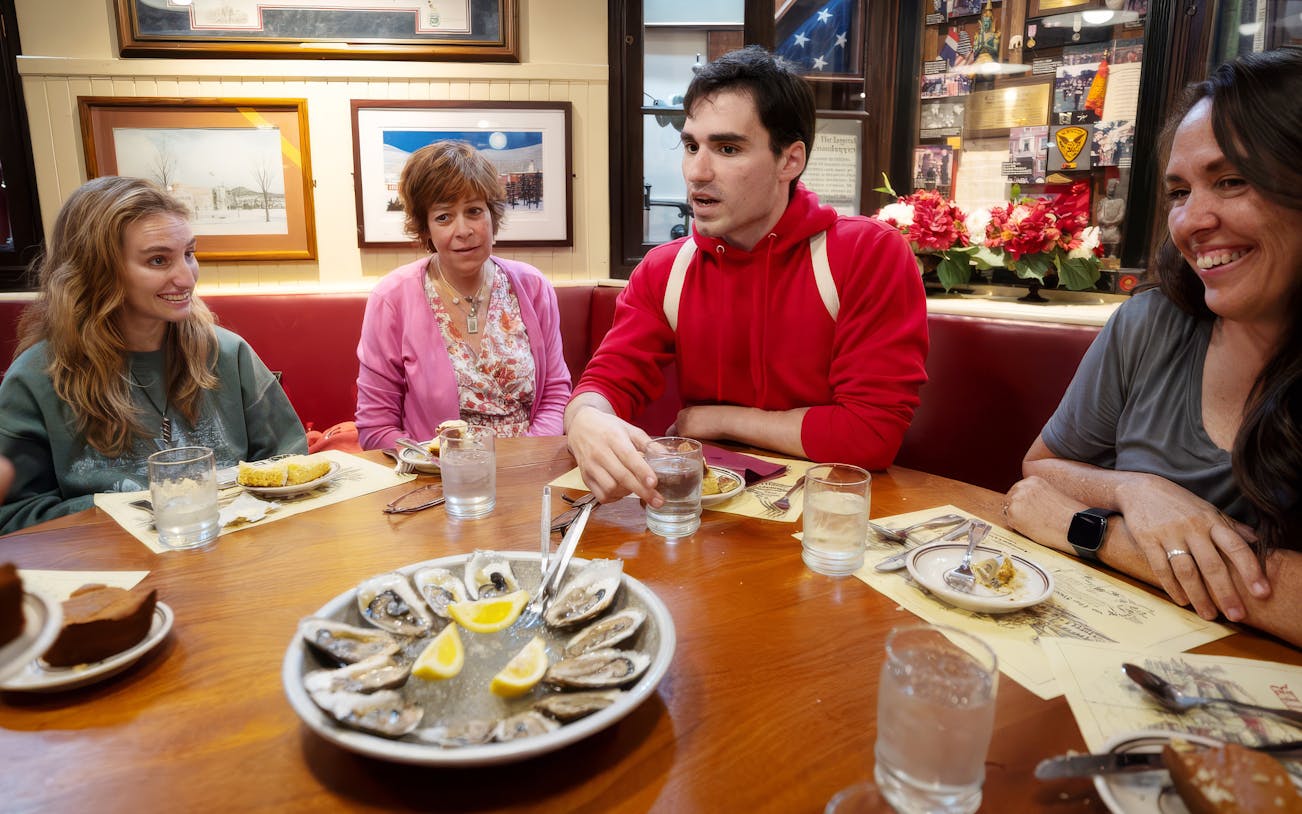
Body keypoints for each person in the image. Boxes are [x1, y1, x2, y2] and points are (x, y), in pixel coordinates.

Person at [1004, 49, 1302, 646]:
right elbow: (1037, 472)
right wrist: (1136, 490)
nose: (1192, 221)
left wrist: (1090, 530)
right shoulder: (1152, 320)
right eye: (1179, 192)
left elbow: (1044, 503)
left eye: (1232, 181)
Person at [565, 46, 928, 505]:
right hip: (706, 514)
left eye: (728, 148)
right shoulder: (664, 270)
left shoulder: (865, 253)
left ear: (789, 161)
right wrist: (585, 418)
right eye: (692, 145)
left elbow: (869, 435)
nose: (697, 172)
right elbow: (608, 382)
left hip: (831, 515)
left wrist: (713, 419)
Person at [0, 176, 307, 533]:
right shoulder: (38, 376)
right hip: (110, 576)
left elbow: (289, 464)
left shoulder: (227, 353)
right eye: (159, 260)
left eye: (189, 254)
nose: (186, 278)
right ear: (98, 272)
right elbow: (13, 517)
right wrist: (130, 511)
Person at [355, 141, 570, 450]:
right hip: (434, 478)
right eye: (443, 217)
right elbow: (375, 427)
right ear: (425, 228)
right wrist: (444, 466)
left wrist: (523, 460)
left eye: (473, 211)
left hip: (530, 465)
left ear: (492, 216)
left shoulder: (533, 286)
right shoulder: (391, 298)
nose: (463, 229)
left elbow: (556, 395)